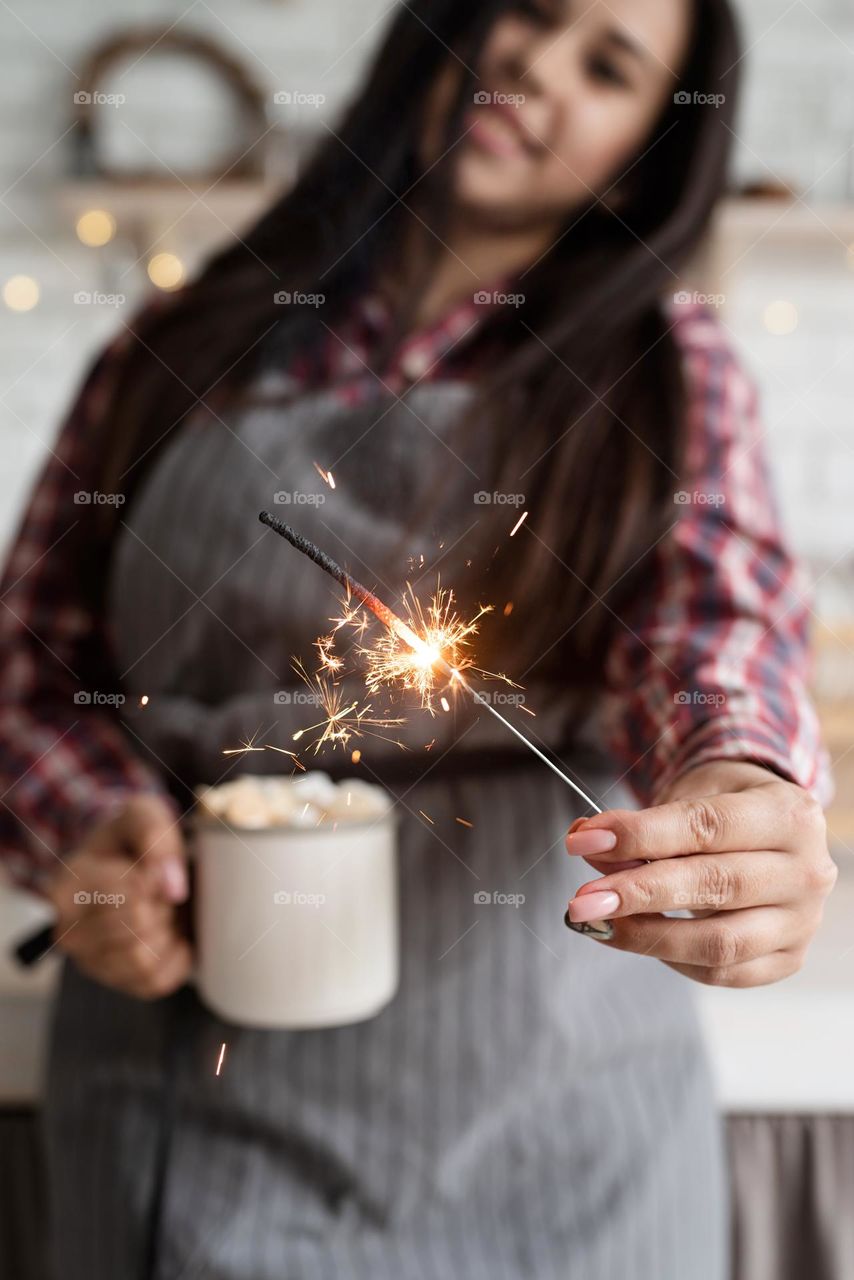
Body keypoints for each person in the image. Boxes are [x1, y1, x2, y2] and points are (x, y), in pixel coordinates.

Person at [0, 0, 836, 1276]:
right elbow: (29, 678)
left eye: (606, 65)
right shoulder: (185, 343)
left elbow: (710, 618)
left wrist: (738, 773)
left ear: (643, 149)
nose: (533, 63)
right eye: (528, 13)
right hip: (182, 1125)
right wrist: (93, 841)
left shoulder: (665, 367)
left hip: (549, 1143)